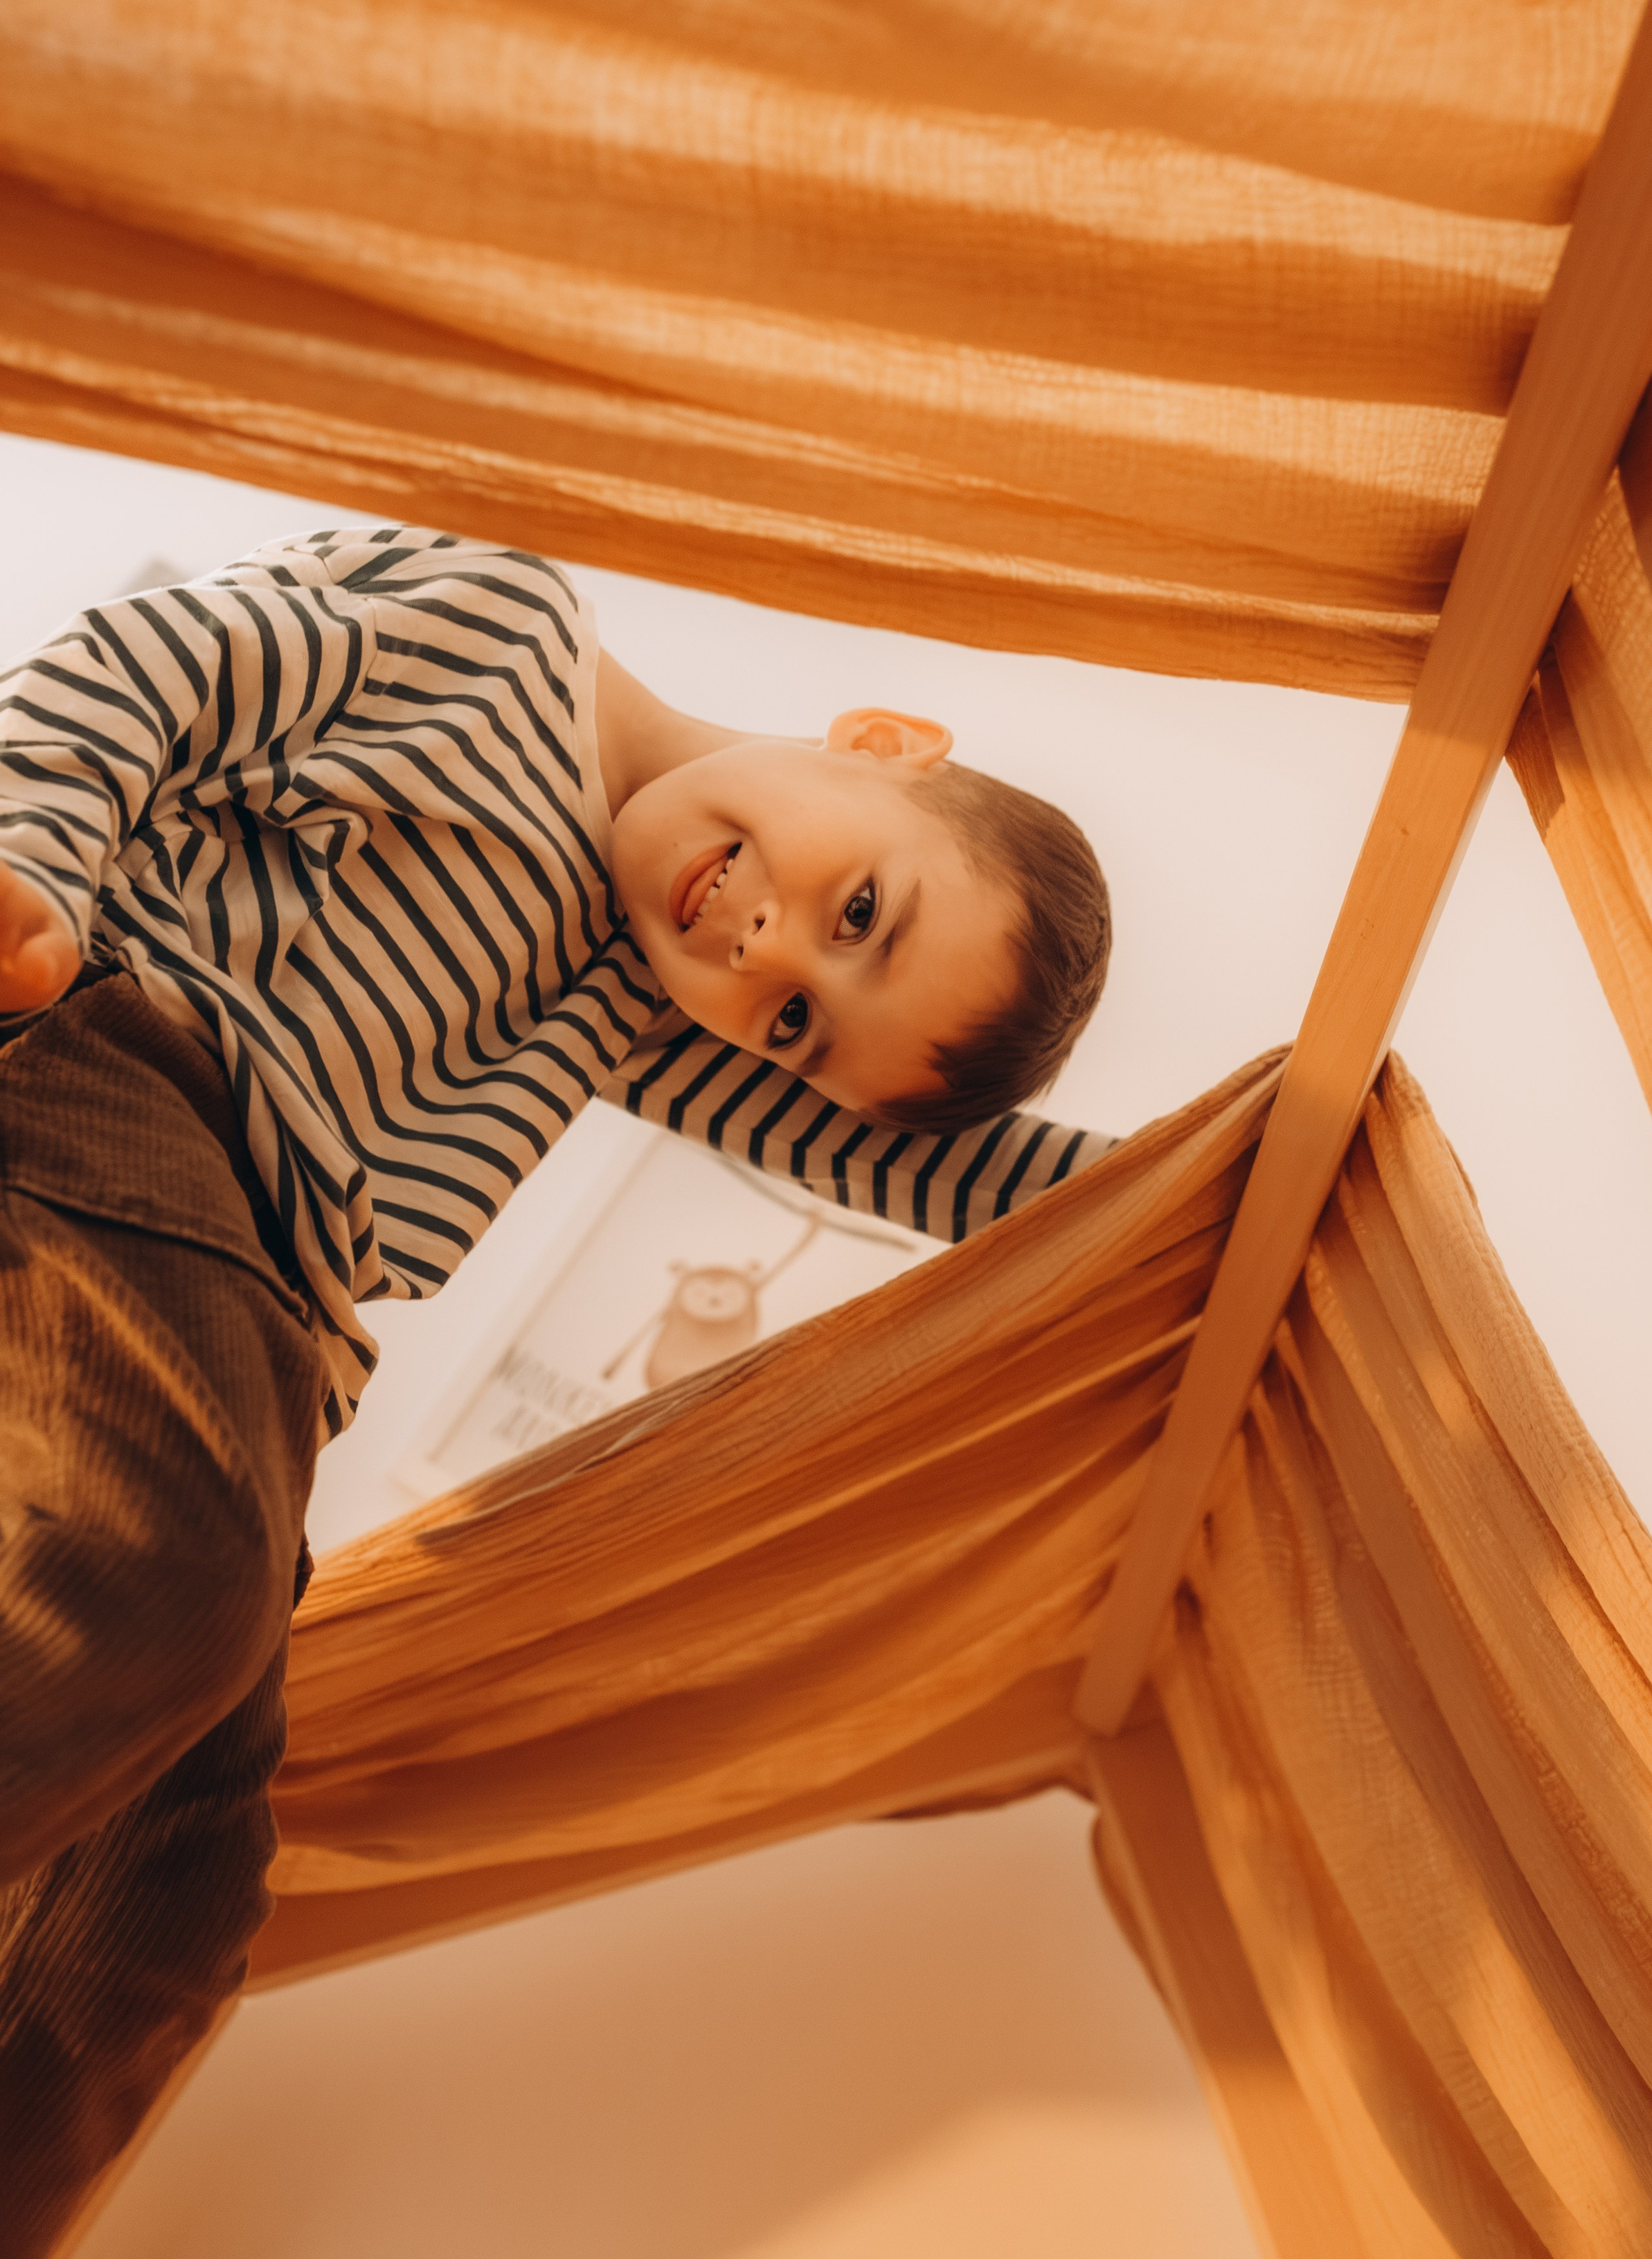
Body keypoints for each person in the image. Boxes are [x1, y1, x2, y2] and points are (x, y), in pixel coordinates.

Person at [0, 525, 1111, 2244]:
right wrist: (28, 865)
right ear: (885, 742)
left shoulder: (650, 996)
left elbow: (941, 1179)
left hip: (256, 1311)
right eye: (859, 908)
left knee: (171, 1907)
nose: (766, 953)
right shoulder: (500, 629)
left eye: (800, 1020)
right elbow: (163, 668)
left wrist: (1250, 1169)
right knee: (173, 1565)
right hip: (111, 1049)